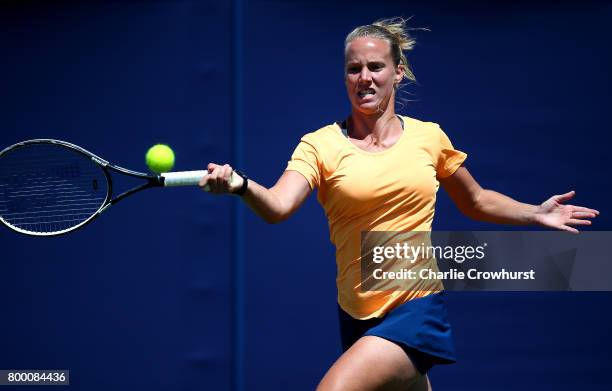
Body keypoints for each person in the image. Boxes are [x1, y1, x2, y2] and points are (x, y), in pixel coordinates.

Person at [199, 17, 599, 391]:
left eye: (376, 67)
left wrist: (535, 212)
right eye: (354, 69)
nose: (365, 78)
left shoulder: (428, 137)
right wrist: (240, 185)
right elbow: (278, 206)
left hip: (415, 309)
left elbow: (475, 199)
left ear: (397, 73)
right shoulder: (318, 145)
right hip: (356, 313)